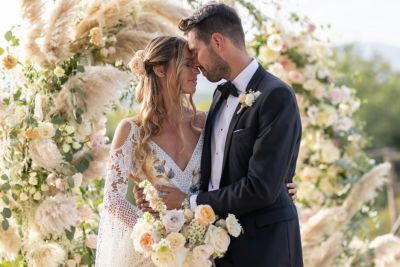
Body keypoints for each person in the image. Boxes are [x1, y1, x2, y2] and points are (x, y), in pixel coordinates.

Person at [96, 34, 297, 266]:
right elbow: (113, 199)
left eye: (196, 64)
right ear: (160, 70)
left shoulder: (204, 122)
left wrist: (279, 186)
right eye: (188, 65)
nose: (197, 71)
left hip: (202, 253)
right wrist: (153, 231)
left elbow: (241, 168)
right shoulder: (131, 130)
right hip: (155, 254)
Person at [154, 2, 303, 266]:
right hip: (219, 251)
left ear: (218, 42)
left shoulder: (276, 95)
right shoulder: (219, 96)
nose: (196, 65)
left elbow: (261, 188)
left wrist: (190, 202)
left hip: (266, 250)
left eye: (196, 52)